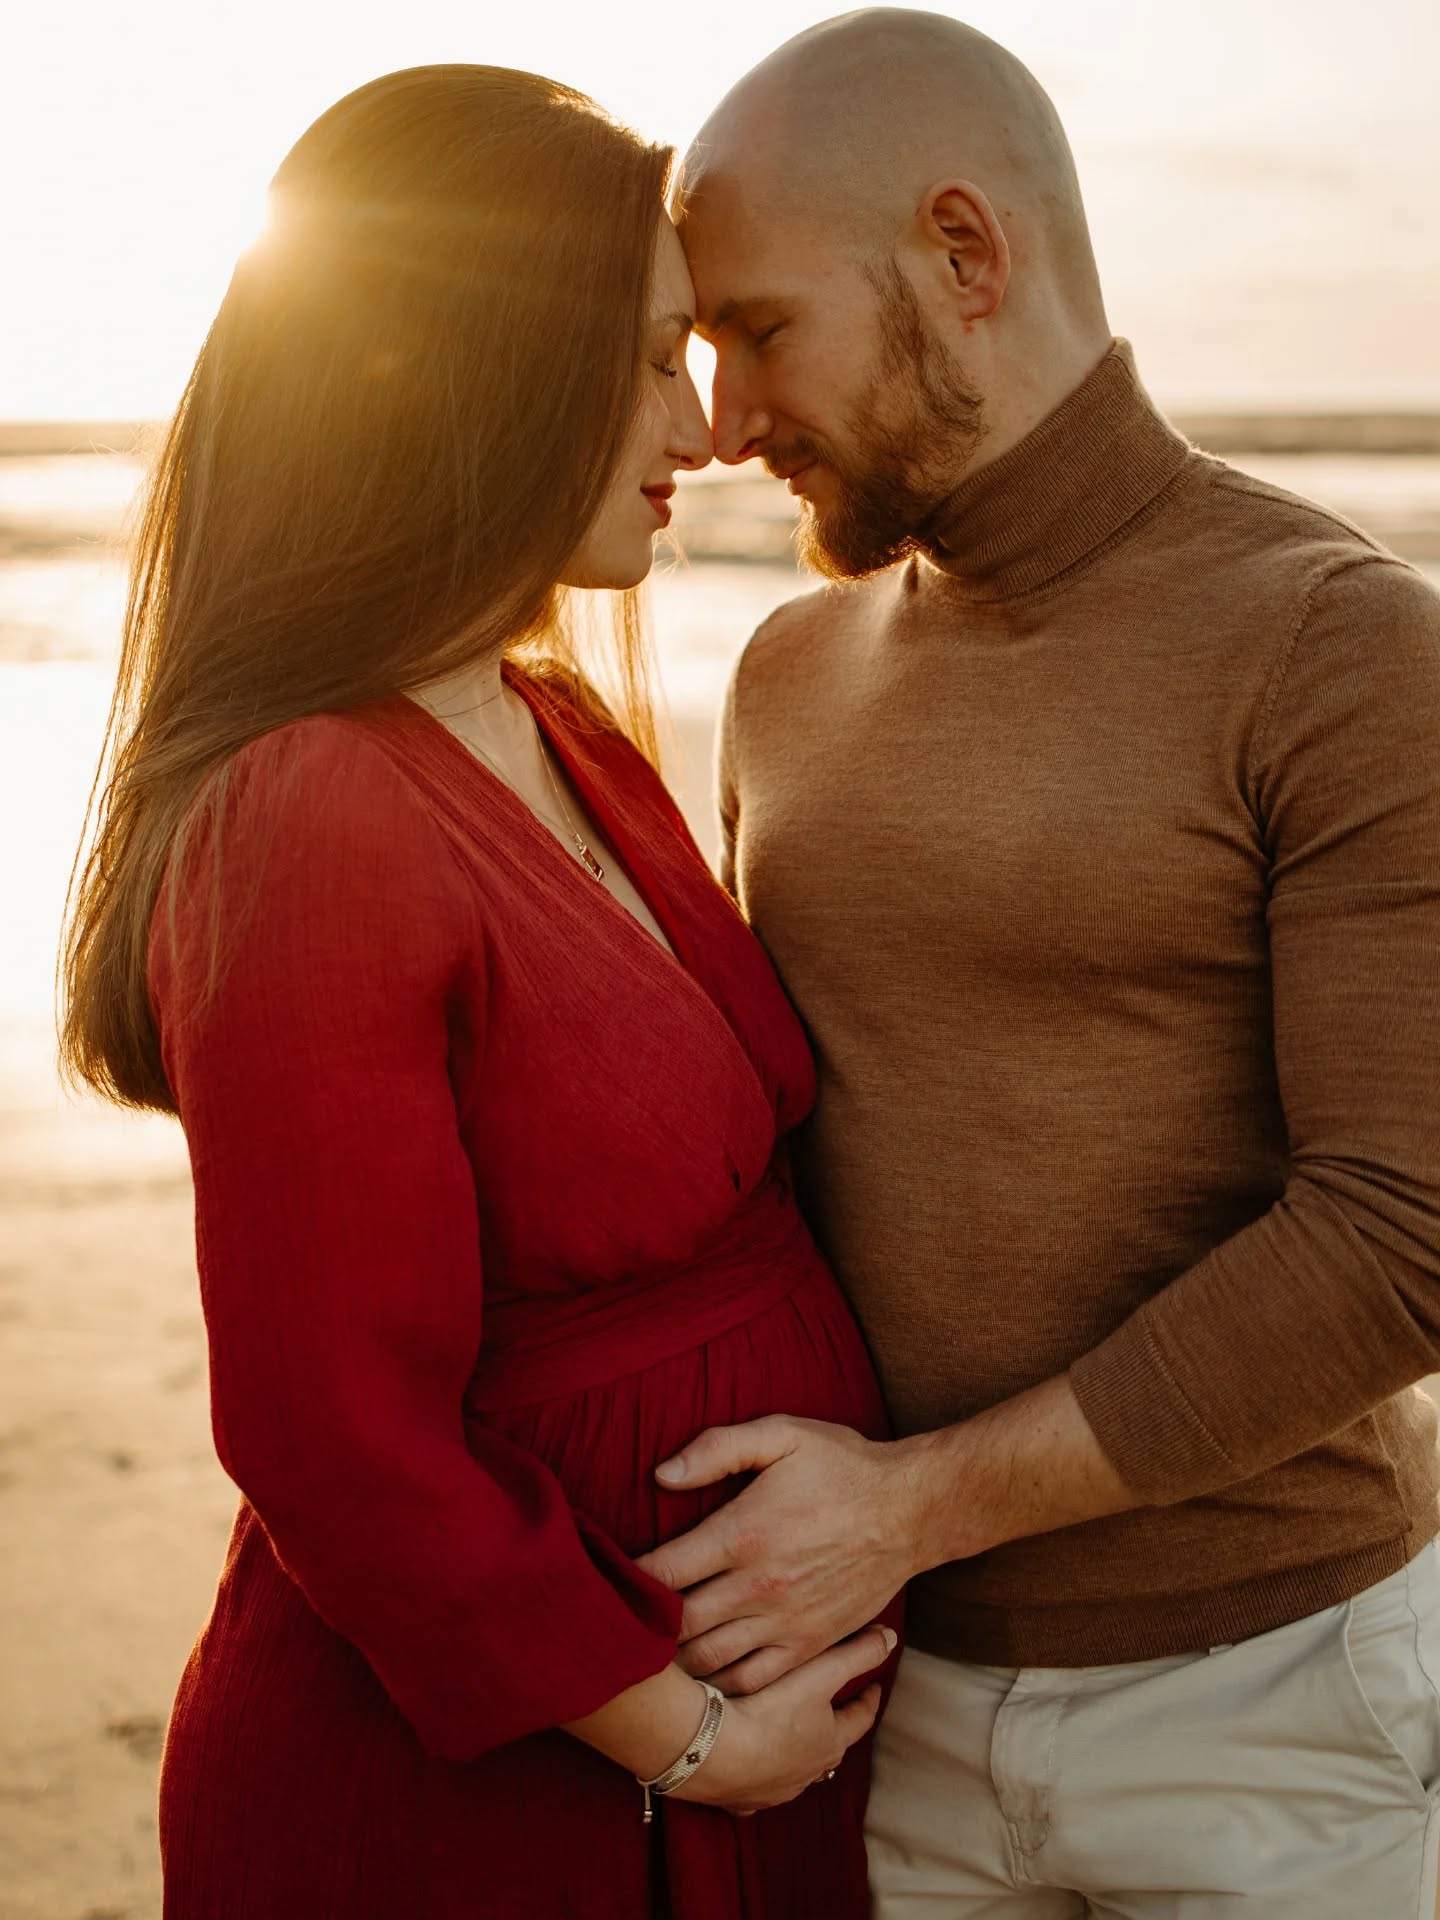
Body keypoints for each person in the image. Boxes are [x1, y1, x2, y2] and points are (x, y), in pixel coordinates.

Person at [58, 64, 899, 1920]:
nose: (704, 427)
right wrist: (692, 1739)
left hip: (715, 1743)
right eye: (654, 356)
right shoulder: (313, 803)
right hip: (512, 1791)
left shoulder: (561, 724)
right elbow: (329, 1434)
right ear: (488, 361)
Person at [638, 12, 1440, 1915]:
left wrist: (909, 1508)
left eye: (761, 330)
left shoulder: (1342, 645)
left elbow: (1409, 1233)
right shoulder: (785, 677)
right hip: (875, 1705)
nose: (728, 423)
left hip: (1278, 1709)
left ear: (963, 253)